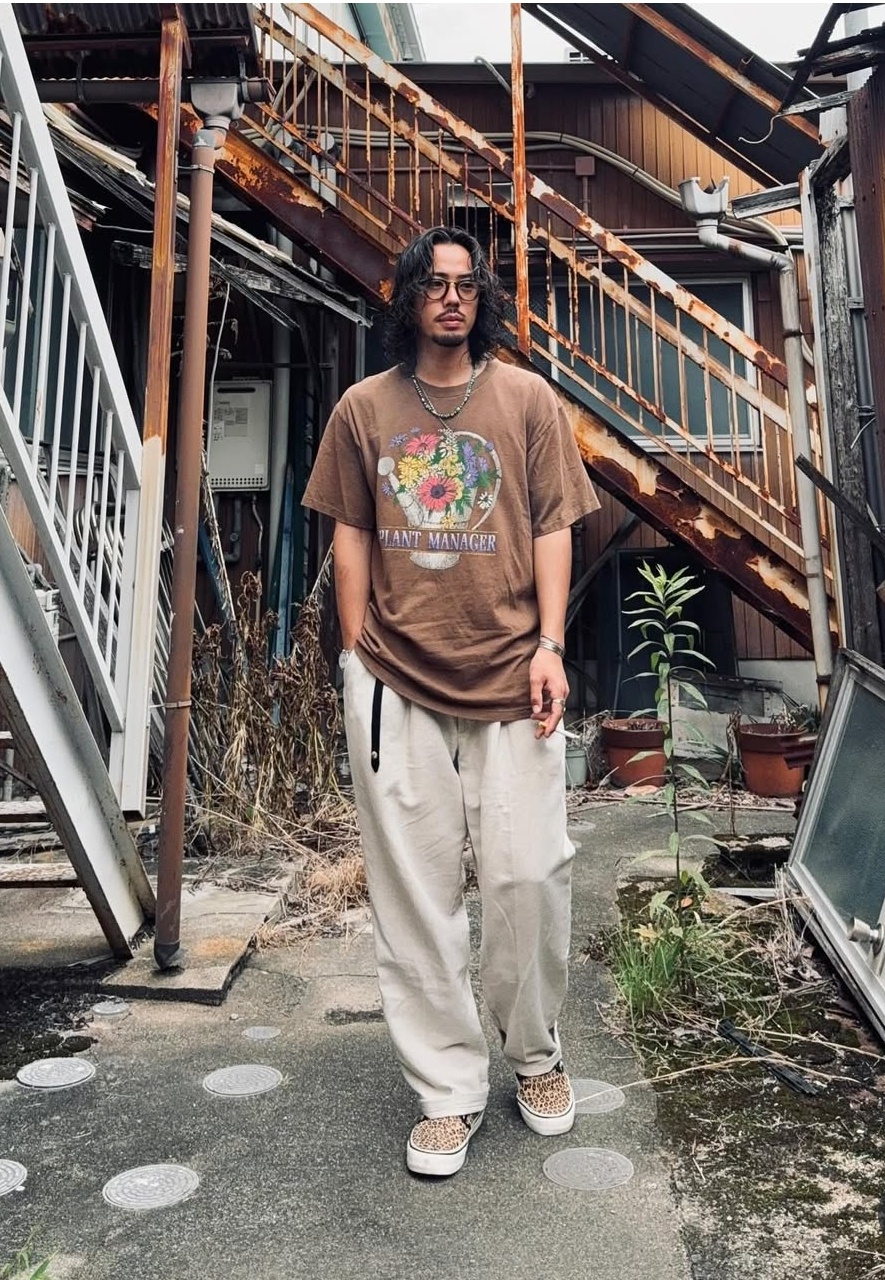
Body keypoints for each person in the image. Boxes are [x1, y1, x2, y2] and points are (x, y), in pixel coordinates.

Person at [302, 225, 599, 1177]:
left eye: (465, 285)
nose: (450, 298)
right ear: (406, 297)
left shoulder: (525, 399)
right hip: (396, 682)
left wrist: (550, 644)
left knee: (527, 876)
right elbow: (351, 532)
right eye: (432, 283)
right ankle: (446, 1090)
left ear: (483, 299)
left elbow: (553, 528)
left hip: (514, 675)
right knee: (415, 897)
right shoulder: (363, 408)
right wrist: (356, 655)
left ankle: (535, 1055)